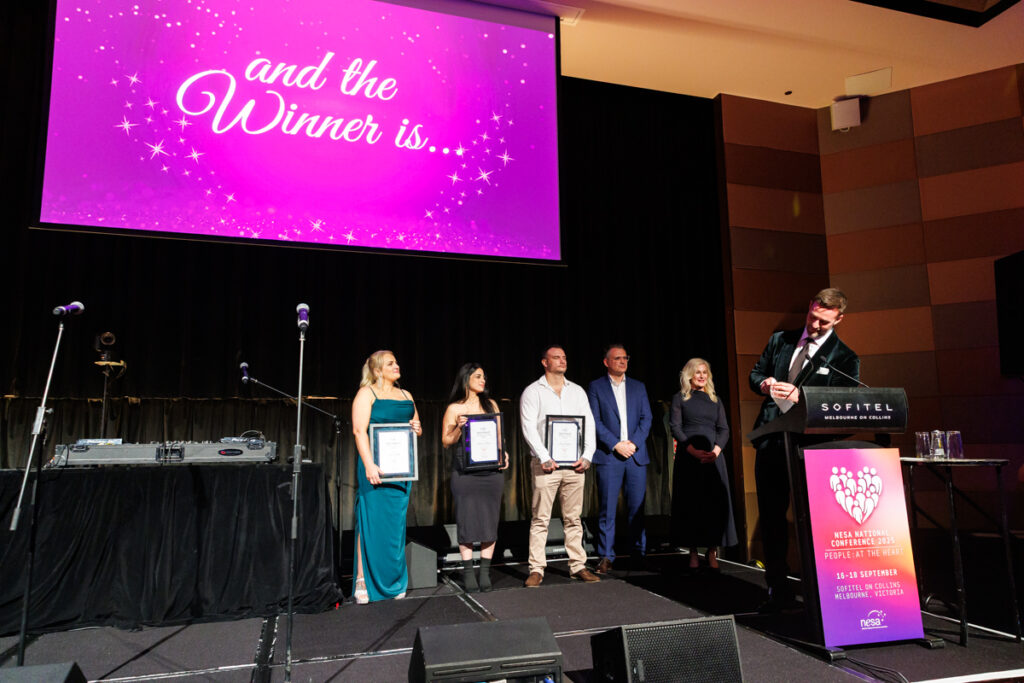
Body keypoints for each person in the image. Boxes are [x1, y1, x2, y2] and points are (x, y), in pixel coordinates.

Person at [749, 288, 859, 610]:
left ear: (839, 319)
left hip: (812, 448)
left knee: (816, 521)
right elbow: (756, 373)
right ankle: (777, 588)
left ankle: (821, 592)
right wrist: (765, 384)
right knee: (772, 518)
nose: (815, 325)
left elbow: (844, 406)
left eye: (824, 322)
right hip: (772, 441)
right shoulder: (780, 341)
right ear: (809, 307)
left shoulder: (845, 358)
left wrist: (804, 398)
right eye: (813, 317)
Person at [519, 345, 600, 587]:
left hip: (574, 465)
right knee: (540, 519)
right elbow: (528, 427)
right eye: (556, 357)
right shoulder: (533, 391)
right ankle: (536, 569)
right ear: (545, 362)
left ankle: (578, 566)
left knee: (574, 518)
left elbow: (589, 425)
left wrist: (587, 455)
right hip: (546, 465)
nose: (562, 361)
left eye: (564, 357)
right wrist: (544, 456)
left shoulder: (577, 391)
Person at [351, 350, 423, 604]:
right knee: (370, 522)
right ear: (377, 370)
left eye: (396, 362)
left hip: (400, 470)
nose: (396, 365)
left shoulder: (406, 395)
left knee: (394, 526)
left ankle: (393, 581)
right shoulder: (366, 393)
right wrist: (369, 464)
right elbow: (359, 431)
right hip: (375, 468)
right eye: (390, 363)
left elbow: (416, 426)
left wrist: (417, 428)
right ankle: (362, 579)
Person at [441, 363, 509, 593]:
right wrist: (458, 428)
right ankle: (469, 572)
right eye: (478, 376)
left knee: (490, 520)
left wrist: (504, 454)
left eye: (484, 377)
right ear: (466, 378)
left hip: (491, 472)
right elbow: (446, 441)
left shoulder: (491, 405)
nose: (483, 380)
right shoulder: (455, 408)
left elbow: (499, 437)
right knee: (467, 520)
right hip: (465, 474)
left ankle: (485, 572)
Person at [586, 345, 653, 574]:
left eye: (625, 358)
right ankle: (606, 556)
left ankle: (638, 555)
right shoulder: (596, 387)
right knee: (607, 510)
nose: (623, 361)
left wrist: (633, 443)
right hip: (609, 455)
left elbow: (646, 419)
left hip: (635, 455)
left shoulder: (638, 387)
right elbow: (595, 421)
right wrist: (616, 444)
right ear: (606, 362)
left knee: (637, 509)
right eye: (617, 358)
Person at [669, 358, 737, 571]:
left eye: (704, 372)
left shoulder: (715, 400)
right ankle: (692, 552)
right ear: (689, 375)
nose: (701, 376)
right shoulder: (680, 398)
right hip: (689, 457)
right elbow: (675, 427)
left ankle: (712, 551)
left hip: (713, 457)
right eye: (697, 372)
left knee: (713, 504)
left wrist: (715, 451)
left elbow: (724, 429)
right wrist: (692, 451)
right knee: (691, 504)